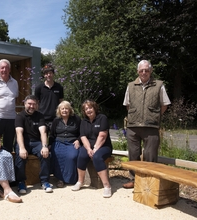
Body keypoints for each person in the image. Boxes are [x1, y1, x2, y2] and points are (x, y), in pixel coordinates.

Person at [122, 60, 171, 189]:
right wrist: (137, 116)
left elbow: (164, 104)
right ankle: (134, 179)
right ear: (138, 71)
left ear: (151, 71)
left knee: (150, 155)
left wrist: (154, 116)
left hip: (151, 126)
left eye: (146, 70)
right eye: (141, 70)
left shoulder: (159, 85)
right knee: (133, 154)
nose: (144, 72)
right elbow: (127, 104)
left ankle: (149, 181)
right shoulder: (131, 85)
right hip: (133, 126)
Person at [72, 100, 113, 198]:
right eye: (86, 109)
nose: (88, 110)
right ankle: (80, 181)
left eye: (90, 108)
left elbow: (102, 136)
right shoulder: (84, 121)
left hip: (103, 146)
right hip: (89, 146)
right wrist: (88, 149)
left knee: (97, 157)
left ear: (95, 108)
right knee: (81, 155)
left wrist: (94, 149)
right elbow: (83, 137)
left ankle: (107, 186)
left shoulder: (102, 118)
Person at [14, 95, 53, 194]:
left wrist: (44, 146)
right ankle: (21, 182)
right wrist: (22, 148)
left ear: (37, 105)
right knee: (20, 155)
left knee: (45, 154)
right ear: (25, 104)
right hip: (24, 141)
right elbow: (19, 133)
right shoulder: (20, 116)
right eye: (29, 104)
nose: (32, 106)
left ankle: (44, 181)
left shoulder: (40, 116)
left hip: (36, 142)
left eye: (34, 104)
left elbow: (43, 132)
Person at [49, 101, 81, 188]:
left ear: (70, 110)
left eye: (66, 108)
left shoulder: (76, 119)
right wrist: (50, 145)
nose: (64, 110)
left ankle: (71, 179)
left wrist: (78, 140)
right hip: (59, 141)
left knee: (72, 156)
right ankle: (60, 179)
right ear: (59, 110)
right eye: (62, 108)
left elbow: (82, 133)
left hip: (72, 142)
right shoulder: (56, 120)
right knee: (58, 155)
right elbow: (52, 134)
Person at [35, 64, 64, 131]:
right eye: (46, 73)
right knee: (42, 137)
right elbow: (36, 103)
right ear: (44, 75)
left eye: (50, 73)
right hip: (42, 117)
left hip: (55, 117)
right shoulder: (39, 88)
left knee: (54, 138)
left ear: (53, 74)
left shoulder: (59, 87)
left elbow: (61, 102)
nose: (48, 75)